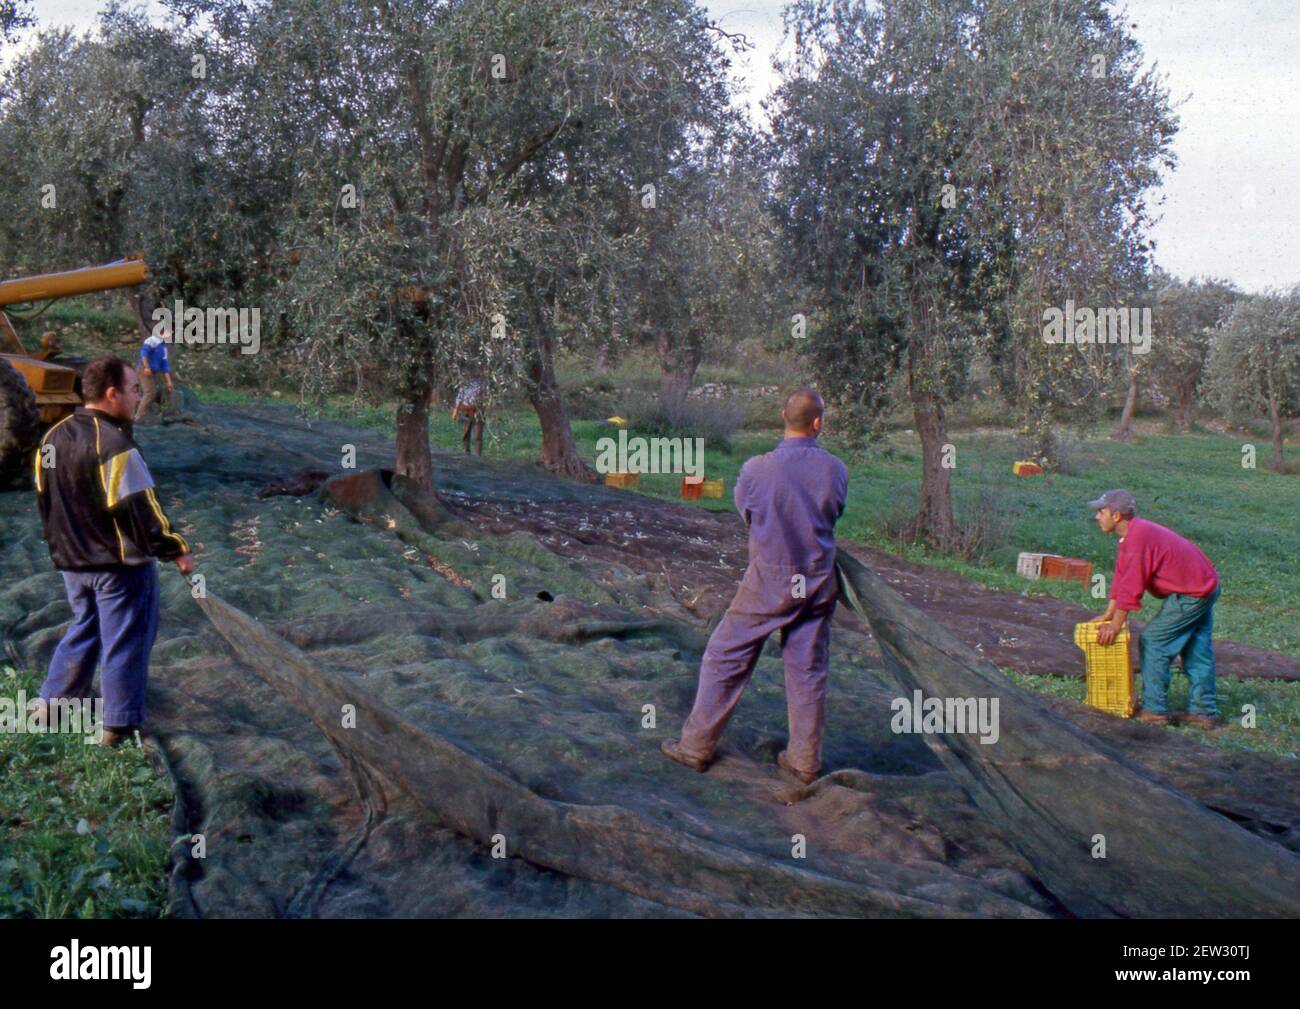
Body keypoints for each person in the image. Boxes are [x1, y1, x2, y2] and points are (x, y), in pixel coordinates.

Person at [662, 388, 848, 784]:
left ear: (783, 416)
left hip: (770, 580)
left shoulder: (756, 470)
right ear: (818, 423)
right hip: (816, 582)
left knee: (723, 656)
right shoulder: (837, 470)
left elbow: (750, 515)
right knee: (808, 669)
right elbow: (835, 514)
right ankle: (804, 762)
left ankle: (695, 748)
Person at [32, 356, 196, 746]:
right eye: (135, 390)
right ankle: (116, 727)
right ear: (112, 394)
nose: (139, 398)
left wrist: (64, 549)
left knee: (84, 626)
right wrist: (176, 548)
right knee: (127, 637)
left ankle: (50, 705)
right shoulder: (116, 445)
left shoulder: (51, 438)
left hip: (72, 563)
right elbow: (141, 508)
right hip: (117, 567)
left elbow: (45, 502)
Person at [1088, 489, 1220, 728]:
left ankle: (1155, 710)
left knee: (1153, 641)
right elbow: (1122, 575)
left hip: (1191, 594)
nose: (1097, 516)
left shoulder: (1137, 539)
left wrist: (1115, 625)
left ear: (1116, 516)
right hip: (1205, 584)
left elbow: (1131, 587)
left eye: (1101, 511)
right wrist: (1109, 613)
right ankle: (1203, 712)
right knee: (1196, 649)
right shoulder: (1134, 534)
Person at [134, 326, 175, 421]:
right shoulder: (152, 340)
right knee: (150, 393)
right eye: (170, 333)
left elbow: (165, 366)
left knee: (142, 393)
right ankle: (138, 417)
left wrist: (169, 382)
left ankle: (137, 414)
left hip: (153, 372)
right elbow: (144, 353)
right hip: (144, 369)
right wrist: (146, 367)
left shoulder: (164, 348)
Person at [451, 378, 485, 455]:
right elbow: (459, 397)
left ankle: (478, 456)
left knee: (478, 435)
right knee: (466, 434)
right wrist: (455, 411)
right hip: (466, 410)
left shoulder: (482, 384)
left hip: (478, 411)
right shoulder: (464, 383)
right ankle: (466, 454)